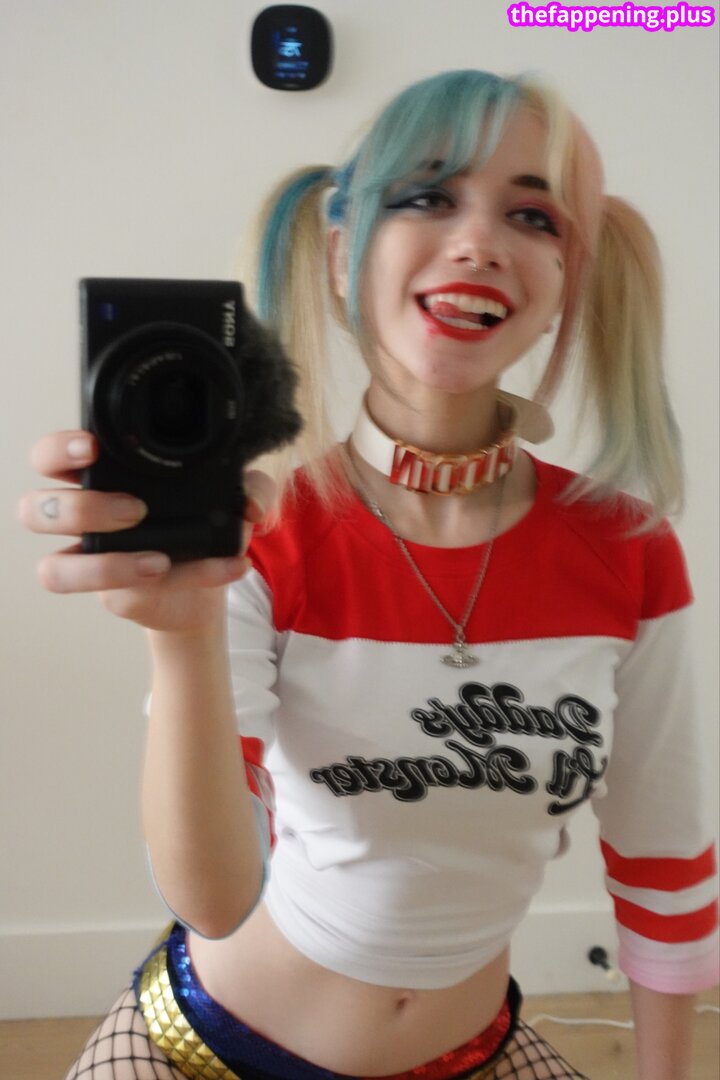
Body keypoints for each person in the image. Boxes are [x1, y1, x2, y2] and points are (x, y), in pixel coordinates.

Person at [20, 70, 718, 1080]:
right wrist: (181, 638)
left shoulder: (628, 548)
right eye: (427, 195)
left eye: (533, 215)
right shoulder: (263, 531)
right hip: (200, 1053)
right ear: (342, 254)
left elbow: (664, 853)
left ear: (570, 277)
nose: (478, 241)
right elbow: (213, 900)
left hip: (476, 1054)